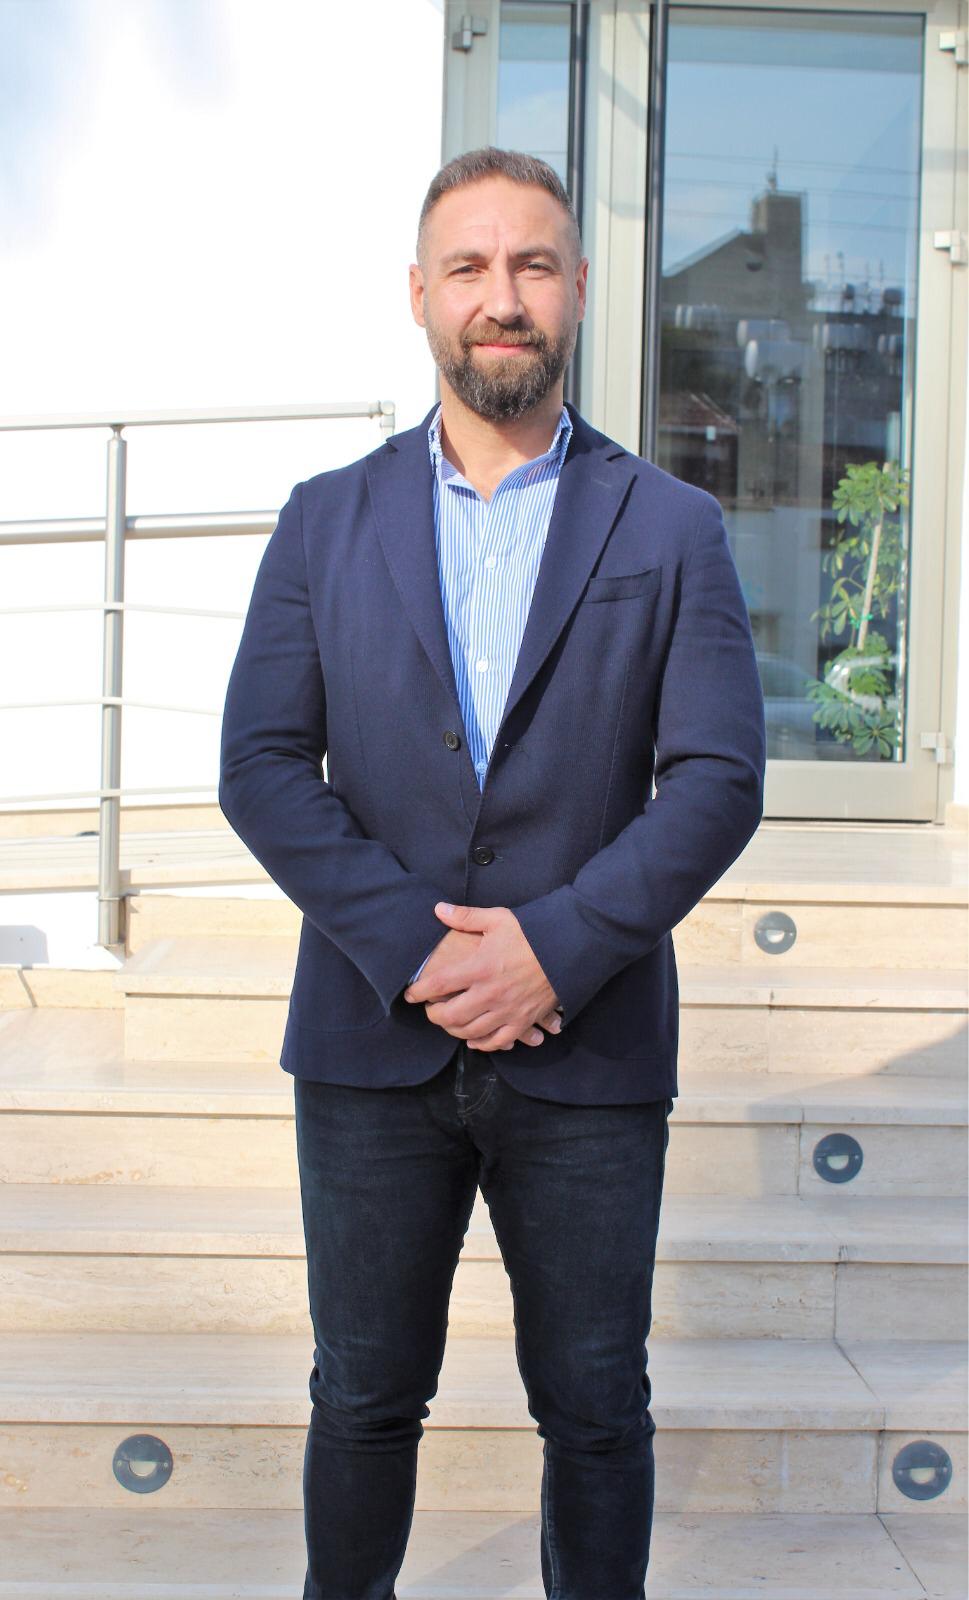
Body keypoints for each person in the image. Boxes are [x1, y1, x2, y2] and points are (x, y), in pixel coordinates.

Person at [219, 146, 766, 1600]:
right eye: (469, 265)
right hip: (369, 1041)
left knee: (594, 1408)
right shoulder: (323, 518)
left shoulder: (671, 525)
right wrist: (422, 947)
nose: (501, 296)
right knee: (361, 1397)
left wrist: (554, 948)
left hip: (588, 1046)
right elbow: (261, 764)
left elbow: (717, 777)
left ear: (576, 288)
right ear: (419, 294)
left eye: (531, 264)